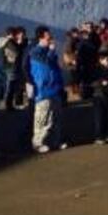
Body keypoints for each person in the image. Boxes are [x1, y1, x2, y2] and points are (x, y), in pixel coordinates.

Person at [28, 26, 67, 154]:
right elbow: (47, 62)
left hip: (54, 88)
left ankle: (55, 141)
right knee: (43, 118)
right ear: (40, 38)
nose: (50, 40)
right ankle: (38, 143)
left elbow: (55, 68)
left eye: (50, 37)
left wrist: (61, 84)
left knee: (56, 118)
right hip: (43, 90)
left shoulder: (50, 52)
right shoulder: (35, 52)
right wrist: (51, 51)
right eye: (48, 38)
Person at [0, 27, 27, 110]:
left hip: (12, 67)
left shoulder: (8, 42)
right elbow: (16, 51)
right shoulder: (9, 42)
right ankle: (9, 105)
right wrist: (19, 43)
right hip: (11, 67)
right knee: (11, 87)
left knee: (15, 86)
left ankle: (13, 103)